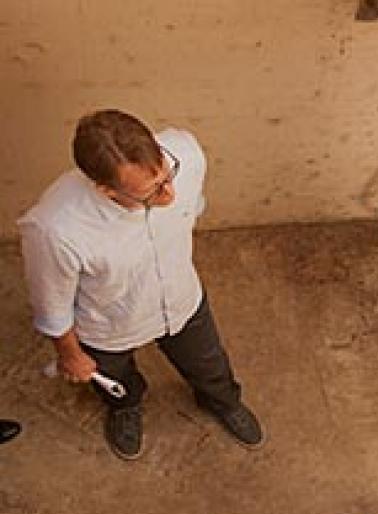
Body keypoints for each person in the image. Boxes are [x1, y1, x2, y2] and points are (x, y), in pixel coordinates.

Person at [18, 109, 263, 460]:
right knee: (115, 381)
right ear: (106, 190)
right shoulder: (54, 229)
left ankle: (221, 399)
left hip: (181, 299)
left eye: (167, 176)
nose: (170, 196)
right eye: (151, 193)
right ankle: (126, 404)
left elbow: (189, 208)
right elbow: (52, 305)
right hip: (108, 326)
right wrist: (70, 355)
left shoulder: (187, 154)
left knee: (210, 364)